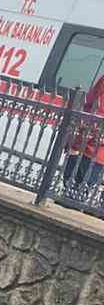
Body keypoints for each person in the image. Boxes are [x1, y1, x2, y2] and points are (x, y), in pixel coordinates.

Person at [61, 72, 104, 208]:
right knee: (77, 186)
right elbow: (94, 106)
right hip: (91, 146)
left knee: (76, 187)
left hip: (92, 146)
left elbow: (92, 106)